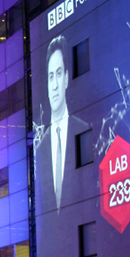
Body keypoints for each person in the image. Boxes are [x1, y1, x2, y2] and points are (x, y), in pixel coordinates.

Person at [36, 34, 90, 213]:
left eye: (58, 74)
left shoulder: (84, 131)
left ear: (66, 78)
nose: (54, 85)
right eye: (51, 76)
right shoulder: (41, 150)